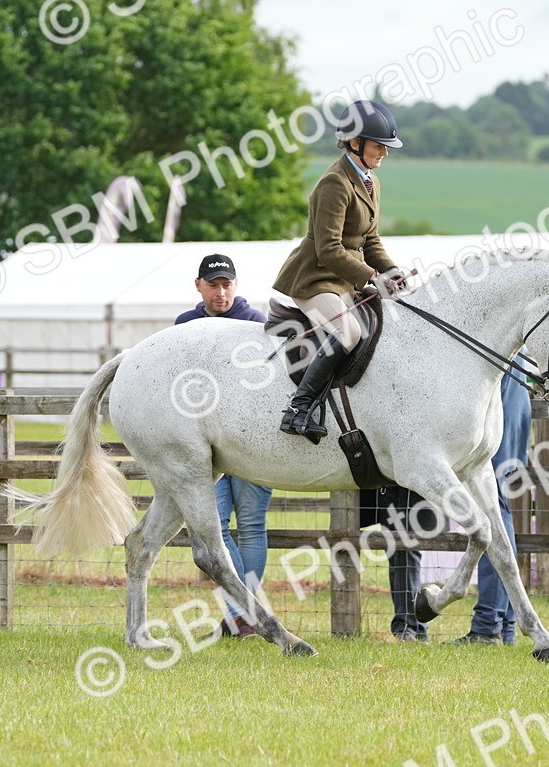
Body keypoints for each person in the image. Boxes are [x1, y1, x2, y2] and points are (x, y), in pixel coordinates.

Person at [272, 99, 410, 440]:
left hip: (345, 281)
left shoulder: (370, 182)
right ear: (354, 142)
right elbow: (329, 249)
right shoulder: (334, 183)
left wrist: (391, 271)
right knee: (347, 332)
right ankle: (298, 408)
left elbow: (371, 239)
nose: (385, 154)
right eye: (379, 146)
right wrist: (370, 277)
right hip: (316, 279)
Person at [174, 254, 273, 638]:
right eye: (213, 285)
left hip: (251, 440)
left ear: (236, 284)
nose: (221, 292)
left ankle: (238, 615)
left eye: (227, 284)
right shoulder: (184, 326)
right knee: (214, 528)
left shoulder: (255, 324)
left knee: (250, 526)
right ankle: (243, 612)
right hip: (200, 444)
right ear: (198, 285)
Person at [448, 357, 532, 645]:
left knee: (493, 511)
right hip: (512, 407)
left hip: (499, 413)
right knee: (499, 508)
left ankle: (488, 624)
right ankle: (504, 625)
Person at [360, 485, 440, 642]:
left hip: (409, 489)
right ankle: (410, 627)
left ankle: (409, 628)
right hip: (386, 488)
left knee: (406, 550)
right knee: (396, 553)